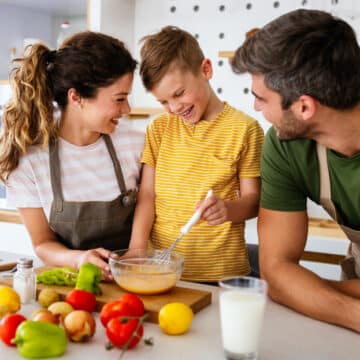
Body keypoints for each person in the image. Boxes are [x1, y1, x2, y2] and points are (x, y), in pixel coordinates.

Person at [232, 9, 360, 332]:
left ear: (304, 107)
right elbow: (276, 272)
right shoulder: (283, 146)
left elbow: (290, 285)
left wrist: (309, 293)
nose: (255, 108)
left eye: (261, 98)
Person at [0, 32, 144, 277]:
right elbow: (43, 243)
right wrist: (79, 259)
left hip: (133, 280)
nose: (127, 109)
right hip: (69, 286)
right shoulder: (29, 160)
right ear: (76, 97)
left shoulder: (136, 144)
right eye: (119, 99)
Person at [129, 26, 264, 283]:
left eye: (179, 94)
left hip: (222, 275)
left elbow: (253, 201)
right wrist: (136, 250)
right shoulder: (159, 128)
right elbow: (147, 195)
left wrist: (228, 210)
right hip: (164, 271)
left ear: (206, 70)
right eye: (163, 102)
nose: (174, 107)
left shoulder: (245, 129)